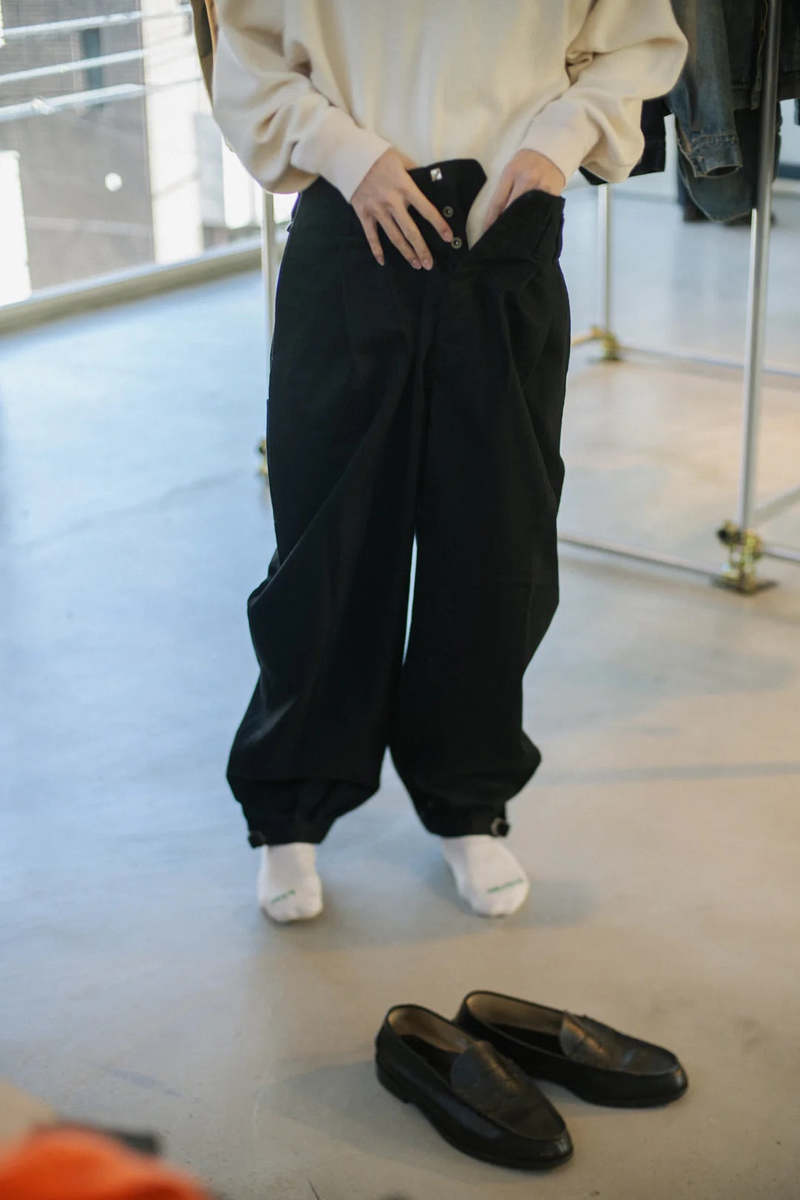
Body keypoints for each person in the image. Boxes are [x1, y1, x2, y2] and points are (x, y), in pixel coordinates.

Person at [209, 1, 689, 923]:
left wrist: (554, 146)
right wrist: (348, 154)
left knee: (496, 546)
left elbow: (637, 44)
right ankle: (290, 809)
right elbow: (248, 53)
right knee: (324, 551)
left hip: (505, 227)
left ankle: (469, 798)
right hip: (351, 227)